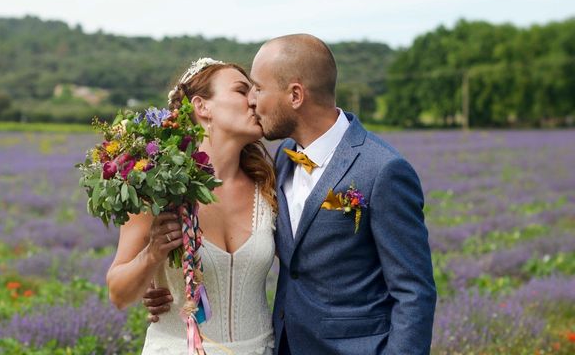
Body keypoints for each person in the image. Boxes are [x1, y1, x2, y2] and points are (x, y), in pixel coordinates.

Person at [146, 34, 437, 355]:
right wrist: (167, 286)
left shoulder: (382, 170)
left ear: (295, 95)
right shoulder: (281, 159)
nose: (252, 100)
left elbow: (414, 292)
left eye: (258, 88)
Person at [106, 59, 278, 355]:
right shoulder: (156, 190)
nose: (253, 101)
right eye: (241, 90)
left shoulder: (270, 187)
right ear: (202, 106)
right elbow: (119, 294)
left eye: (254, 92)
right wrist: (151, 256)